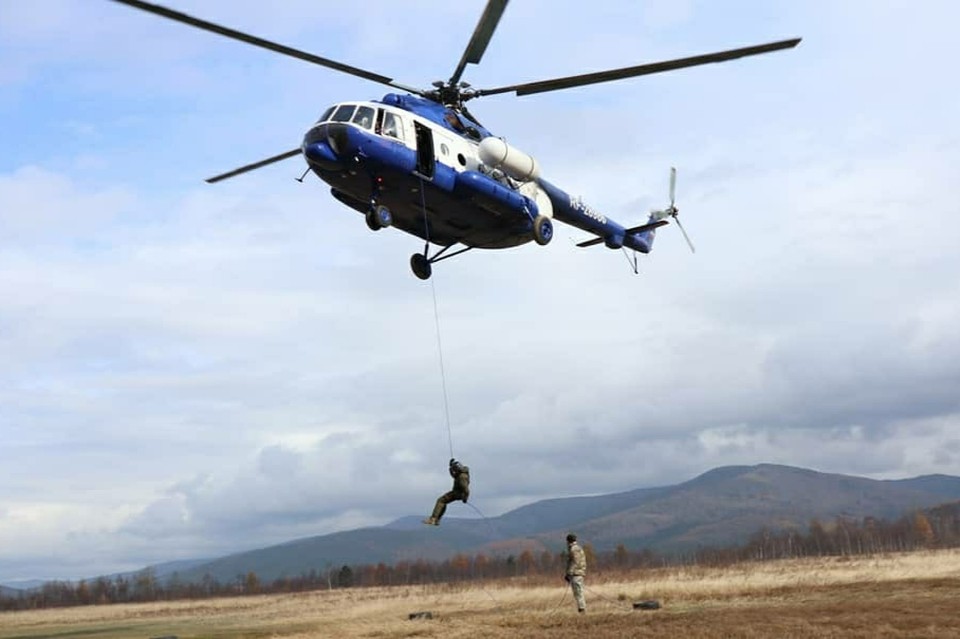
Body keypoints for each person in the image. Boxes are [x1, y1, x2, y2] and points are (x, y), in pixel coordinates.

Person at [423, 458, 470, 525]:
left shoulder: (462, 477)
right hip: (458, 493)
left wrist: (465, 498)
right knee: (443, 502)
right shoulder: (461, 473)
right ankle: (436, 520)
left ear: (457, 469)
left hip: (458, 493)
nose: (454, 471)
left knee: (441, 500)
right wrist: (450, 467)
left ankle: (433, 519)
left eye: (454, 469)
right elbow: (454, 475)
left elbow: (466, 490)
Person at [565, 532, 587, 613]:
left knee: (578, 593)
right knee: (578, 592)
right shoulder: (577, 548)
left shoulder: (574, 549)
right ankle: (581, 609)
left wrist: (569, 573)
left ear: (568, 541)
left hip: (576, 574)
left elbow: (575, 562)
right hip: (578, 573)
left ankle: (582, 610)